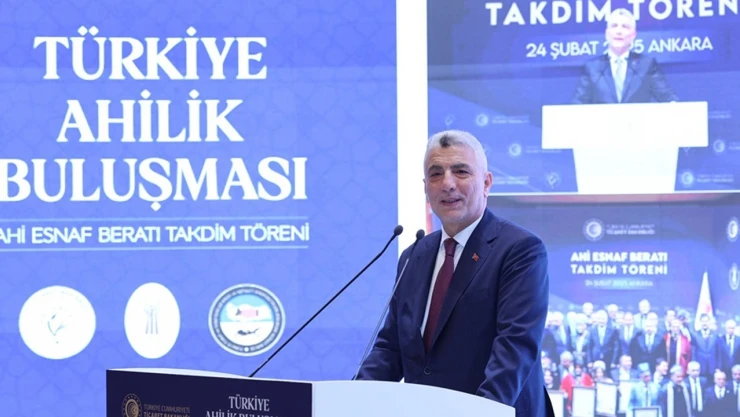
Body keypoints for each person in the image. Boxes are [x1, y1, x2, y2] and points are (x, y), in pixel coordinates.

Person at [356, 130, 554, 417]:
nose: (447, 184)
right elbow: (390, 349)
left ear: (486, 183)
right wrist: (350, 401)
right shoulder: (413, 256)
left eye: (461, 171)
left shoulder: (520, 250)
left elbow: (514, 350)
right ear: (426, 188)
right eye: (436, 174)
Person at [572, 8, 678, 104]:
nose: (619, 31)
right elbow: (578, 104)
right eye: (614, 26)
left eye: (625, 27)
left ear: (633, 35)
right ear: (607, 33)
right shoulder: (592, 67)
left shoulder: (646, 64)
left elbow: (668, 98)